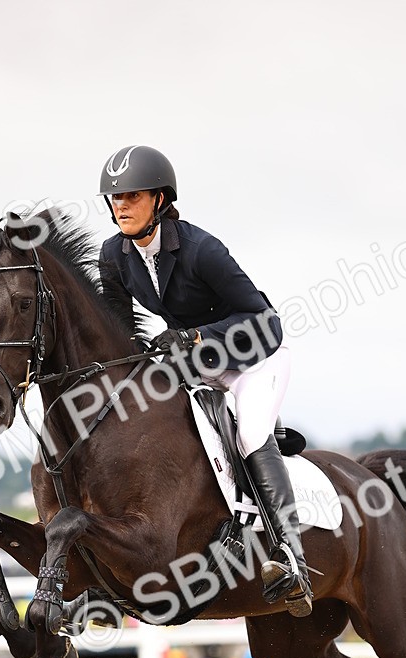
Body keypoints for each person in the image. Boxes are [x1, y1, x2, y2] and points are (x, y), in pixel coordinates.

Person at [97, 144, 312, 618]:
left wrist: (193, 336)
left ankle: (291, 557)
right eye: (115, 198)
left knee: (250, 433)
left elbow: (267, 322)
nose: (122, 206)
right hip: (197, 363)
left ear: (160, 199)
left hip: (254, 356)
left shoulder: (201, 249)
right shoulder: (114, 255)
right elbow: (118, 331)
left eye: (132, 196)